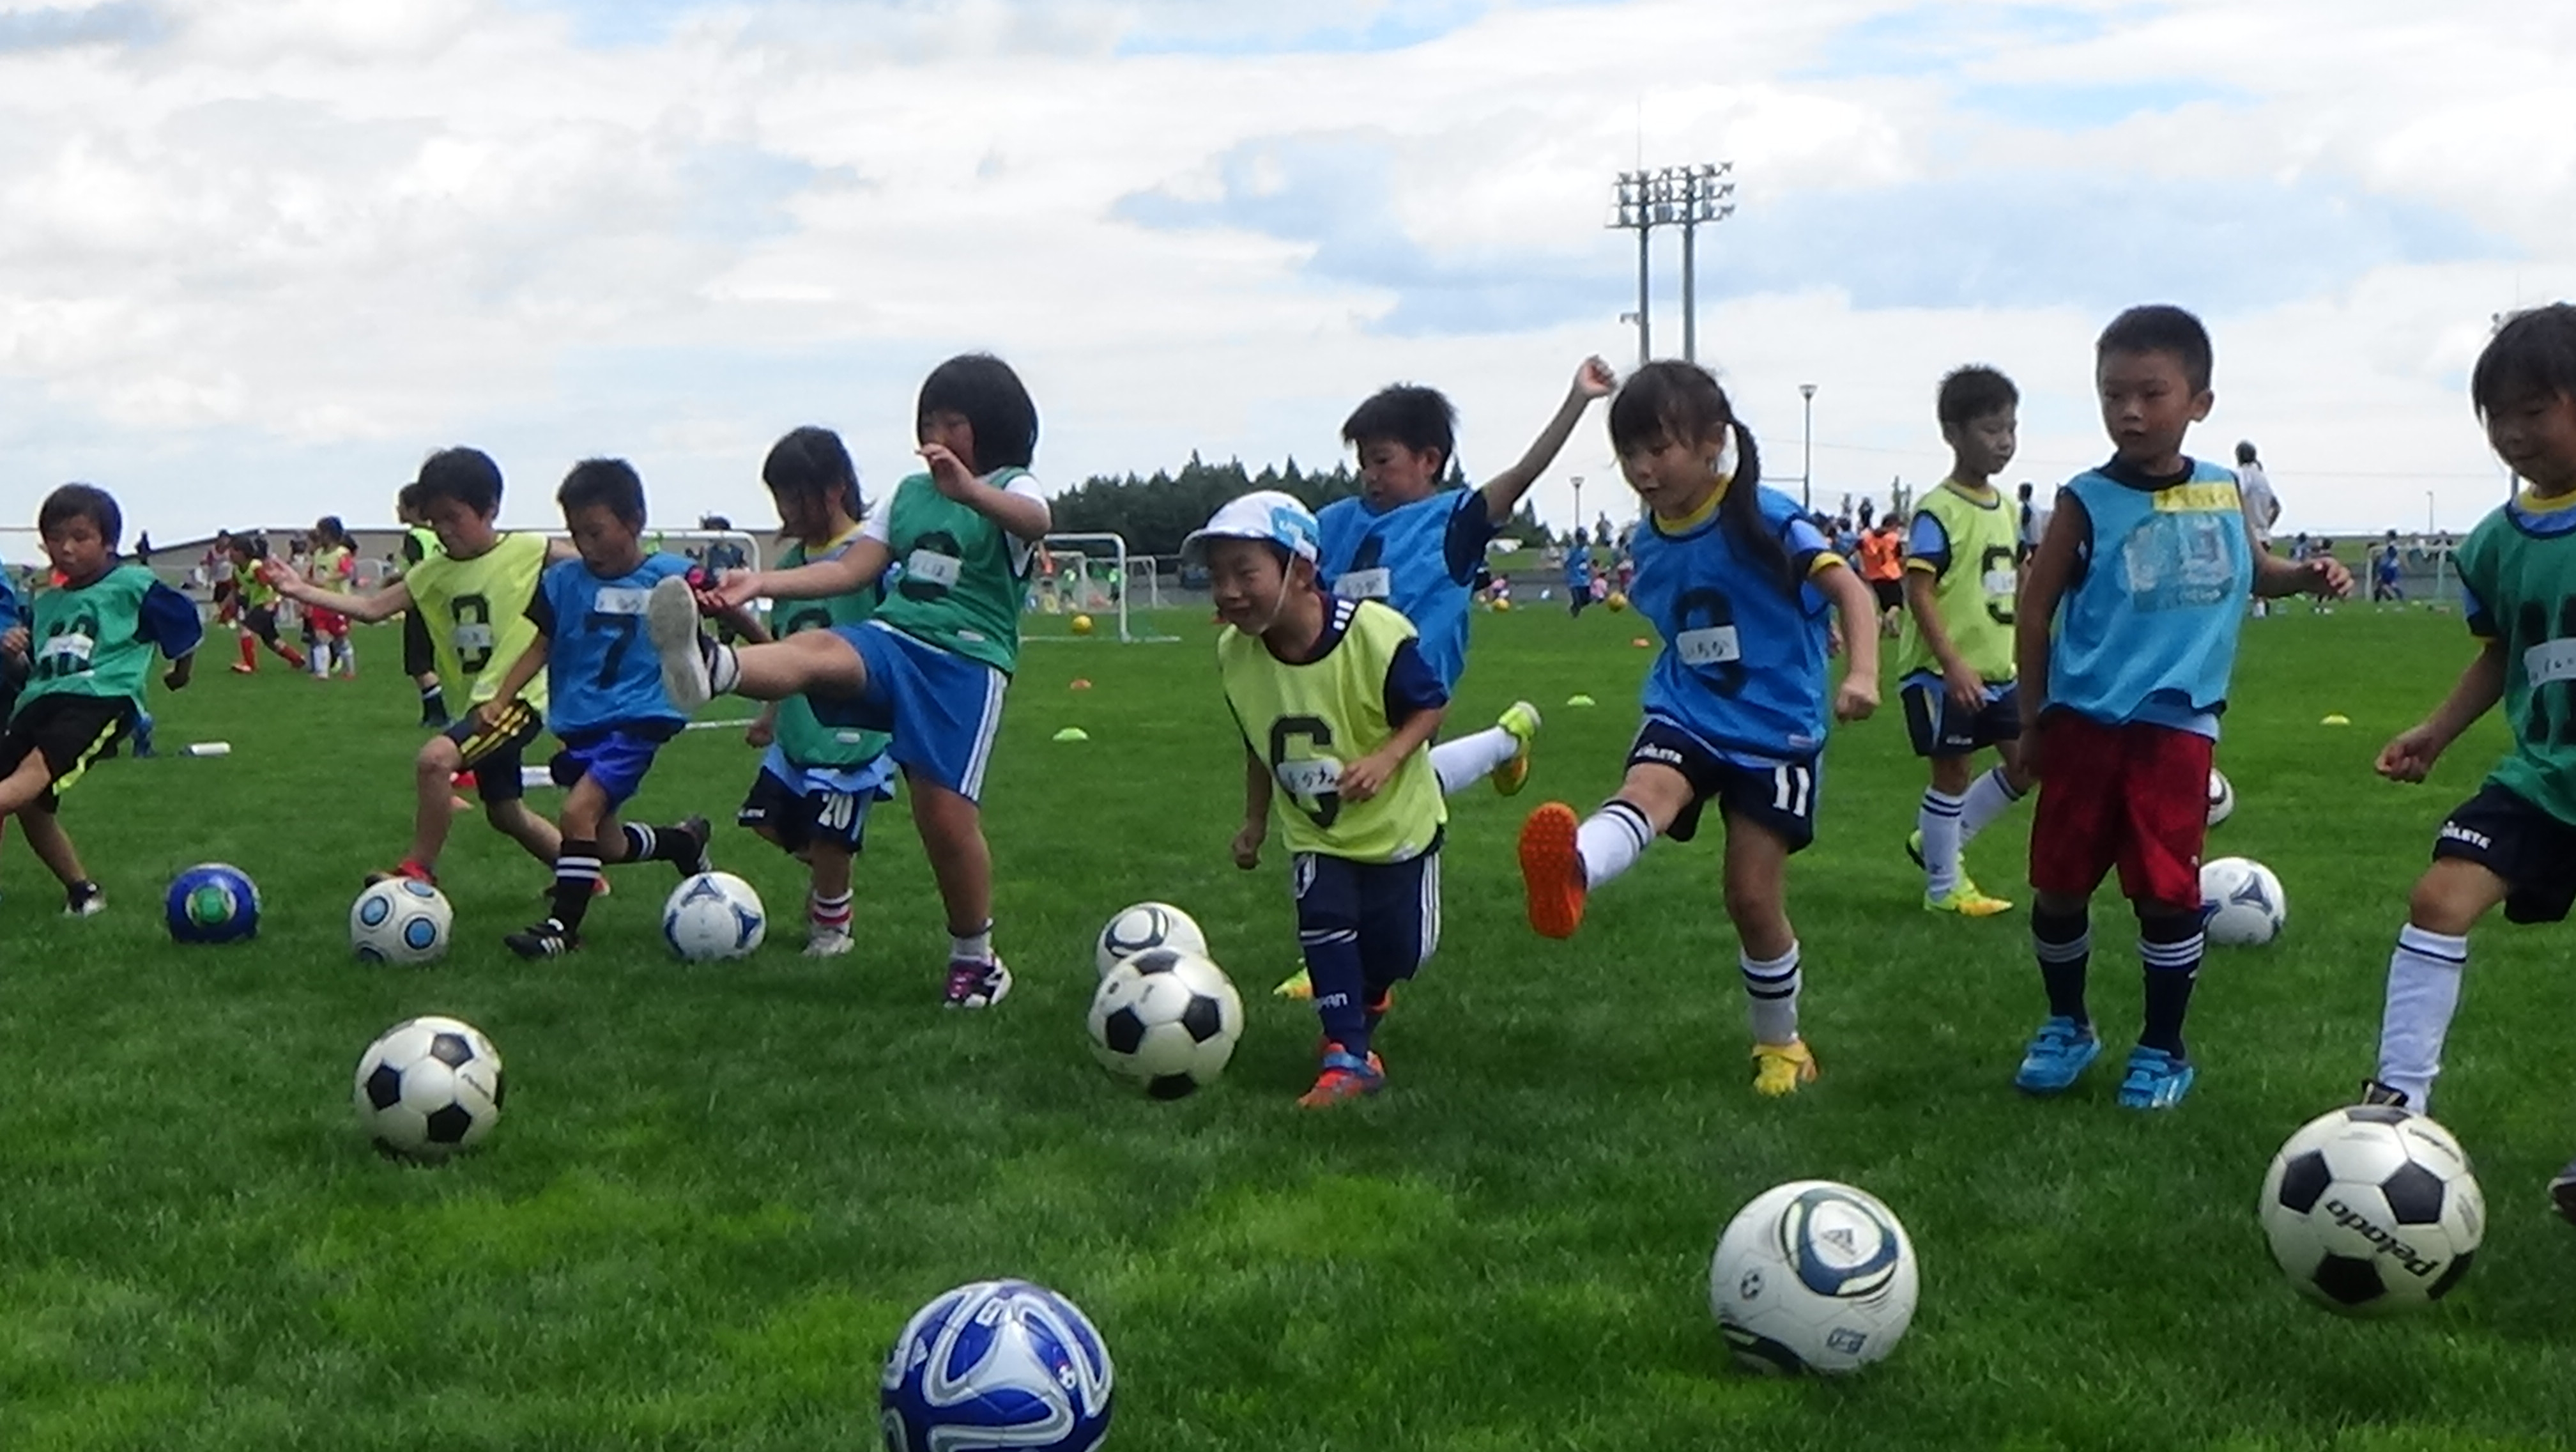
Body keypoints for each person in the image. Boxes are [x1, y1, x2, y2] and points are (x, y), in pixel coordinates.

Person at [2011, 305, 2350, 1111]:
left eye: (2151, 394)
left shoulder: (2221, 489)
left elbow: (2254, 569)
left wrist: (2304, 575)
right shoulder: (2085, 499)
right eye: (2113, 395)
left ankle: (2163, 1047)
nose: (2129, 411)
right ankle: (2067, 1024)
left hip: (2176, 722)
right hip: (2086, 720)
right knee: (2060, 884)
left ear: (2199, 402)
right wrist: (2031, 720)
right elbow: (2035, 610)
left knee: (2165, 890)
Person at [1515, 361, 1880, 1097]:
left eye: (1660, 449)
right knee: (1647, 790)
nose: (1643, 469)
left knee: (1750, 898)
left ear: (1713, 442)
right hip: (1687, 708)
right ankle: (1573, 866)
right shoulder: (1648, 541)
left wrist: (1861, 671)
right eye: (1629, 453)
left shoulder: (1766, 516)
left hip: (1774, 730)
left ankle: (1781, 1044)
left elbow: (1849, 587)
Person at [657, 353, 1050, 1009]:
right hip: (894, 636)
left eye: (951, 422)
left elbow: (1037, 523)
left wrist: (971, 492)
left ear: (992, 426)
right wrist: (760, 583)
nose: (935, 437)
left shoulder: (1014, 487)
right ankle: (714, 665)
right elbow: (849, 570)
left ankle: (974, 960)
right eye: (927, 422)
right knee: (816, 649)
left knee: (944, 821)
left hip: (965, 662)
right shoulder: (907, 494)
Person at [2356, 304, 2576, 1217]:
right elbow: (2499, 654)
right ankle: (2398, 1107)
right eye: (2497, 415)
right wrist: (2435, 732)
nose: (2514, 433)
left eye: (2536, 409)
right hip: (2543, 781)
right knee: (2439, 897)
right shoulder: (2493, 543)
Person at [1187, 490, 1448, 1106]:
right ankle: (1348, 1054)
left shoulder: (1375, 636)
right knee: (1324, 926)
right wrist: (1255, 821)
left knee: (1400, 951)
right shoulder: (1235, 654)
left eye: (1245, 573)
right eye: (1218, 577)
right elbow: (1258, 740)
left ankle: (1371, 997)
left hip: (1396, 829)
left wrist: (1385, 759)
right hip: (1315, 832)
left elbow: (1430, 705)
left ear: (1301, 572)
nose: (1228, 592)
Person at [266, 447, 568, 887]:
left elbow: (593, 563)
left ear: (490, 509)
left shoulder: (529, 549)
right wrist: (299, 590)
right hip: (473, 705)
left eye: (453, 517)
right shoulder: (432, 573)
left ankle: (418, 870)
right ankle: (582, 875)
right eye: (434, 520)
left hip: (516, 699)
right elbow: (372, 608)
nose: (443, 530)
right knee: (505, 813)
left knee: (434, 761)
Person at [1318, 358, 1616, 799]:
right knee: (1381, 796)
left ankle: (1503, 744)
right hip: (1334, 689)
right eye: (1363, 463)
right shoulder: (1332, 524)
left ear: (1428, 460)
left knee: (1387, 799)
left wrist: (1578, 399)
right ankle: (1504, 743)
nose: (1370, 475)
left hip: (1411, 697)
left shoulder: (1453, 522)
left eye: (1382, 460)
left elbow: (1522, 475)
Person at [479, 460, 712, 957]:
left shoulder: (671, 578)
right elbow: (540, 645)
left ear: (635, 521)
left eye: (596, 531)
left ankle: (562, 929)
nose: (585, 545)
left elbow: (726, 609)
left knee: (576, 813)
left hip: (638, 721)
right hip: (582, 723)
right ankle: (682, 842)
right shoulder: (563, 583)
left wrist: (770, 665)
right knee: (603, 842)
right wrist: (501, 697)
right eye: (576, 533)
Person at [734, 426, 895, 958]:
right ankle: (830, 864)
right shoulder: (789, 568)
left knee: (830, 833)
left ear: (833, 490)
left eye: (794, 496)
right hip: (800, 728)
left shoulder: (871, 557)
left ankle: (833, 927)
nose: (785, 509)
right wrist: (770, 714)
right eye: (778, 496)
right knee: (765, 821)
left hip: (852, 731)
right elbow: (786, 651)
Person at [0, 485, 200, 914]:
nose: (66, 548)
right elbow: (34, 667)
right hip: (38, 702)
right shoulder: (48, 600)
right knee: (31, 805)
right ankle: (83, 892)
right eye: (55, 538)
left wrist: (181, 671)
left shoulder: (133, 585)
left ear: (108, 542)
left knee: (24, 783)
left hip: (99, 699)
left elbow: (184, 622)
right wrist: (13, 651)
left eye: (80, 537)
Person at [1900, 366, 2034, 917]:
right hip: (1943, 673)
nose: (2004, 442)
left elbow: (2020, 578)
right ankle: (1943, 889)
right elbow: (1919, 589)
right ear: (1953, 434)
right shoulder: (1939, 510)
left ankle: (1938, 843)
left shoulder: (2010, 509)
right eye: (1991, 430)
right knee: (1951, 773)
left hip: (2000, 672)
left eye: (2011, 429)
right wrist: (1952, 663)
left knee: (2027, 766)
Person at [394, 486, 451, 727]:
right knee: (426, 660)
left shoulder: (415, 536)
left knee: (418, 663)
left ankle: (438, 713)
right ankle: (432, 713)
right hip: (438, 602)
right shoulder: (437, 535)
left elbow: (420, 569)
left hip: (420, 603)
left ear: (413, 509)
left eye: (401, 505)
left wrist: (396, 581)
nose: (397, 509)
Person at [227, 535, 308, 674]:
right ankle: (297, 659)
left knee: (246, 629)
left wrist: (273, 602)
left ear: (242, 552)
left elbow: (271, 585)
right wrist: (231, 605)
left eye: (232, 551)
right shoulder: (237, 570)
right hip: (257, 604)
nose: (230, 554)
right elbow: (235, 589)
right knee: (271, 640)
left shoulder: (256, 567)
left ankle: (249, 665)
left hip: (266, 604)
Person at [305, 514, 358, 680]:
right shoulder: (318, 553)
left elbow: (347, 572)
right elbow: (313, 573)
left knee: (340, 639)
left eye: (320, 532)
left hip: (338, 603)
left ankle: (349, 670)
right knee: (321, 636)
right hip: (320, 601)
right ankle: (322, 673)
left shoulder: (342, 553)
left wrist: (328, 579)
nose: (317, 535)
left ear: (328, 534)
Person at [1858, 515, 1906, 636]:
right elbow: (1899, 558)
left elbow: (1857, 548)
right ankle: (1887, 620)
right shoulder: (1893, 538)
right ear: (1892, 525)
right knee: (1896, 604)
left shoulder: (1869, 538)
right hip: (1890, 574)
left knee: (1884, 605)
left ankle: (1892, 631)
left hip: (1874, 575)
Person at [2373, 529, 2407, 604]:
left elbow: (2392, 555)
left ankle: (2398, 598)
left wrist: (2381, 556)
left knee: (2385, 584)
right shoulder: (2393, 546)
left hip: (2389, 568)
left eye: (2387, 536)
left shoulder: (2392, 546)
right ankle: (2391, 598)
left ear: (2391, 537)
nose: (2385, 537)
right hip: (2390, 567)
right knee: (2383, 584)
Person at [1565, 542, 1594, 616]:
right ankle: (1574, 615)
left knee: (1587, 600)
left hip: (1584, 580)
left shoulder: (1587, 550)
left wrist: (1590, 569)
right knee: (1577, 601)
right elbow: (1566, 562)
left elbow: (1588, 562)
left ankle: (1573, 608)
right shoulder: (1572, 550)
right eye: (1581, 538)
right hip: (1574, 580)